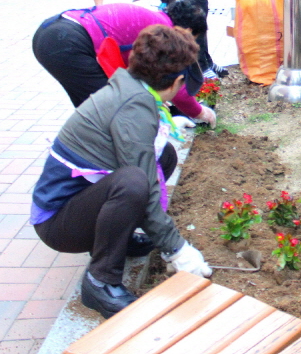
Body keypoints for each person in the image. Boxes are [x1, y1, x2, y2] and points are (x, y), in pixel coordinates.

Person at [31, 25, 214, 319]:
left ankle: (121, 239)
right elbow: (144, 184)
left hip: (76, 204)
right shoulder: (133, 106)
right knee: (132, 182)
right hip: (57, 222)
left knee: (162, 156)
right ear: (177, 81)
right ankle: (100, 281)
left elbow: (145, 160)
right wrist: (178, 250)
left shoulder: (129, 84)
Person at [32, 0, 216, 126]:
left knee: (94, 105)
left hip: (53, 32)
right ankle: (100, 166)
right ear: (188, 30)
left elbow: (137, 72)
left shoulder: (153, 19)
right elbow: (173, 82)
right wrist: (200, 113)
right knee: (110, 110)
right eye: (192, 38)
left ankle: (95, 156)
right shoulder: (165, 33)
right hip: (67, 42)